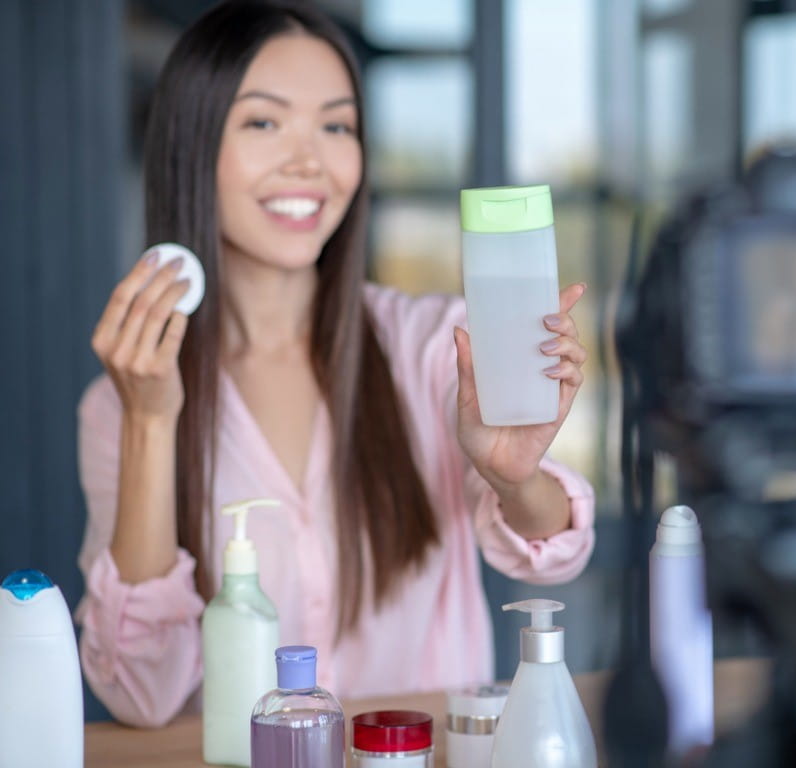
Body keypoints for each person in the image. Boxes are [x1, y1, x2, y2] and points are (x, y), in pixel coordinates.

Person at [76, 0, 595, 728]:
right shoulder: (118, 408)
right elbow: (138, 691)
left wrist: (517, 477)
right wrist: (150, 424)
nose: (309, 161)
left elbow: (549, 553)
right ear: (191, 146)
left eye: (337, 124)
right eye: (263, 121)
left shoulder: (432, 344)